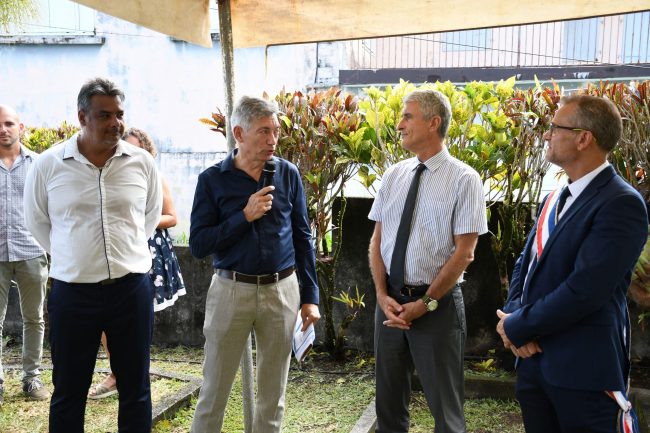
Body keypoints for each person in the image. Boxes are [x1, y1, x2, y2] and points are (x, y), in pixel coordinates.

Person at [496, 94, 648, 433]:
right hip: (533, 362)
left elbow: (585, 290)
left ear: (583, 138)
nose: (546, 135)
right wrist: (515, 318)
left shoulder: (621, 203)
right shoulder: (554, 197)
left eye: (555, 128)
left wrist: (519, 326)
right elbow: (526, 264)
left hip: (582, 370)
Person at [23, 77, 162, 433]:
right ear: (82, 117)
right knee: (69, 390)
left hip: (131, 290)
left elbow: (147, 219)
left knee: (136, 388)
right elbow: (37, 222)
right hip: (73, 292)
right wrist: (75, 257)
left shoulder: (142, 163)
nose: (116, 123)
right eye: (105, 115)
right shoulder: (49, 164)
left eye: (120, 114)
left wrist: (125, 253)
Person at [189, 95, 320, 433]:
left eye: (275, 131)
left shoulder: (287, 173)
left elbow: (303, 236)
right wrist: (243, 216)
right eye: (264, 131)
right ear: (239, 133)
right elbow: (199, 244)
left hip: (282, 291)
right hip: (231, 290)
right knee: (213, 392)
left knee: (273, 397)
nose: (273, 140)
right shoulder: (212, 180)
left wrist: (310, 297)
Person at [368, 89, 488, 433]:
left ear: (433, 123)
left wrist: (425, 303)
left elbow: (465, 253)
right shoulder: (393, 175)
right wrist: (382, 296)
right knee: (388, 407)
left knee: (446, 413)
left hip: (437, 308)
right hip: (389, 305)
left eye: (407, 116)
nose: (399, 124)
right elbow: (377, 241)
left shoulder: (464, 179)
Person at [88, 127, 186, 399]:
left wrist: (140, 221)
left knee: (135, 321)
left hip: (147, 252)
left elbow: (172, 217)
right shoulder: (111, 177)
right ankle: (117, 372)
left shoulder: (155, 176)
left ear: (147, 151)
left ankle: (132, 373)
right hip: (115, 252)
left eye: (136, 148)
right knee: (106, 319)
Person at [0, 105, 50, 405]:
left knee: (34, 317)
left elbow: (51, 204)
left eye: (9, 123)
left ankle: (31, 378)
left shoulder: (39, 164)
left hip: (31, 249)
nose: (3, 129)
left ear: (20, 127)